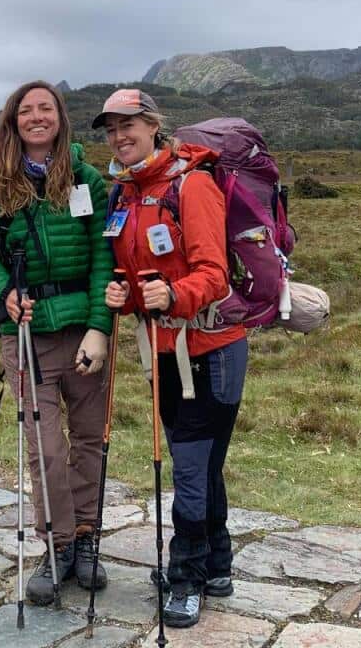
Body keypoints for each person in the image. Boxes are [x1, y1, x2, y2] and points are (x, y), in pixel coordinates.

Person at [98, 89, 248, 629]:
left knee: (189, 469)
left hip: (212, 351)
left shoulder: (194, 184)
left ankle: (186, 579)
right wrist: (125, 296)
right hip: (163, 353)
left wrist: (173, 297)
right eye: (112, 128)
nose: (120, 135)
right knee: (203, 465)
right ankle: (218, 564)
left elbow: (213, 274)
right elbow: (136, 271)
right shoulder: (125, 193)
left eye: (129, 124)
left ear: (154, 127)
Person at [0, 80, 114, 605]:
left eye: (46, 108)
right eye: (26, 110)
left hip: (83, 329)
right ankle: (55, 546)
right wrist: (6, 292)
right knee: (46, 450)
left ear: (60, 117)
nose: (37, 117)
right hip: (28, 335)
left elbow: (104, 257)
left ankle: (86, 541)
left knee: (87, 440)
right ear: (13, 121)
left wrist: (100, 327)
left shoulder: (86, 179)